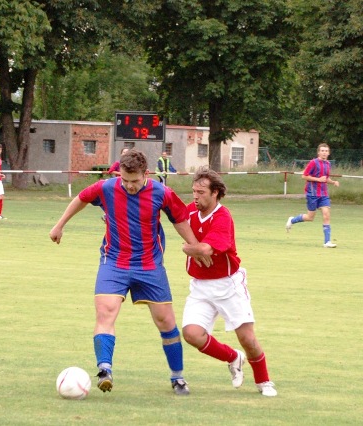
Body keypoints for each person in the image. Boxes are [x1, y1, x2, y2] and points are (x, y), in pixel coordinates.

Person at [49, 149, 207, 396]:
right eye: (125, 180)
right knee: (105, 313)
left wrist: (196, 247)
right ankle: (104, 370)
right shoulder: (107, 188)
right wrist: (59, 225)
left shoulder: (161, 192)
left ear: (146, 174)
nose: (130, 186)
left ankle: (177, 377)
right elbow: (81, 198)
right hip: (114, 262)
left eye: (135, 181)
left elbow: (179, 219)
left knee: (166, 321)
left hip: (149, 265)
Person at [181, 167, 277, 397]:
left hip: (228, 285)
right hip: (200, 286)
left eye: (201, 192)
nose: (195, 196)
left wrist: (188, 248)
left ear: (215, 193)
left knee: (247, 338)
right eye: (194, 191)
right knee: (192, 334)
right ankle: (233, 358)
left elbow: (204, 248)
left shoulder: (223, 216)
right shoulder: (190, 211)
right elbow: (168, 216)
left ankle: (264, 381)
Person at [285, 143, 340, 248]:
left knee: (326, 214)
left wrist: (333, 182)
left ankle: (327, 242)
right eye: (322, 151)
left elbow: (325, 178)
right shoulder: (313, 163)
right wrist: (318, 179)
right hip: (312, 194)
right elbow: (304, 176)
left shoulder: (328, 164)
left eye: (326, 151)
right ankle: (292, 220)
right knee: (310, 217)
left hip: (324, 194)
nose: (324, 152)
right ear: (318, 152)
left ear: (328, 153)